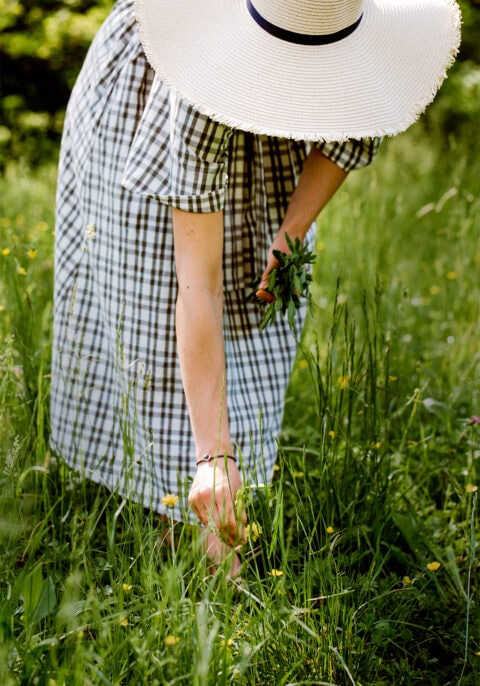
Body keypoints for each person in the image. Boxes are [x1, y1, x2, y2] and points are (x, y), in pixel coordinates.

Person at [50, 0, 460, 573]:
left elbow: (353, 133)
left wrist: (290, 231)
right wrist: (213, 454)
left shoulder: (346, 33)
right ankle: (183, 498)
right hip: (153, 111)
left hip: (259, 121)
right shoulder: (191, 80)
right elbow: (197, 284)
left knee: (255, 313)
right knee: (150, 316)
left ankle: (220, 494)